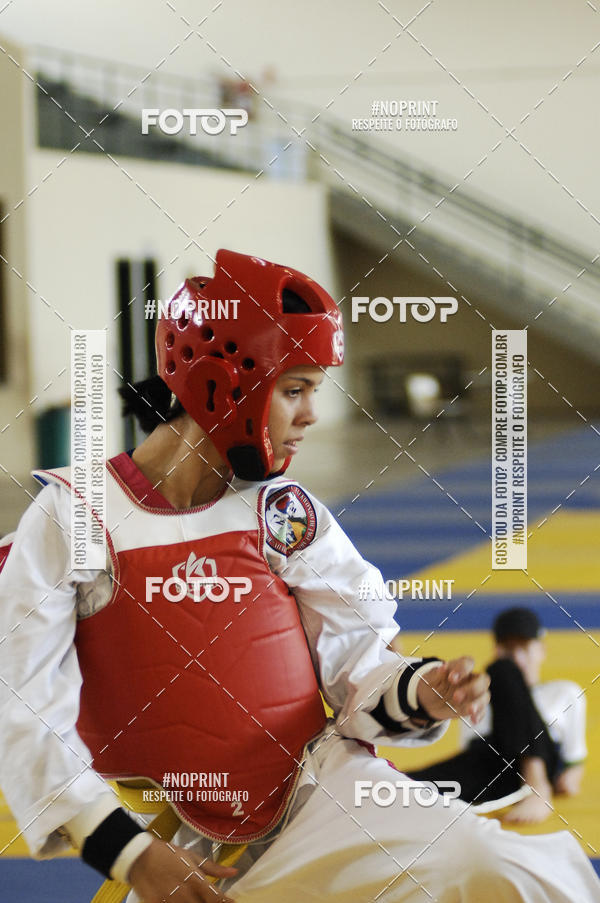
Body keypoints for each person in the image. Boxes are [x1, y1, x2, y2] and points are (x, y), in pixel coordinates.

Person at [0, 250, 598, 903]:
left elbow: (358, 660)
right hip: (171, 848)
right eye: (295, 389)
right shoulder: (74, 515)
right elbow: (22, 703)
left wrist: (423, 688)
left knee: (511, 871)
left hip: (321, 800)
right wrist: (133, 854)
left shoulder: (281, 510)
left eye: (314, 389)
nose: (312, 413)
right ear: (219, 385)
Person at [407, 607, 587, 824]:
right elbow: (470, 751)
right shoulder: (483, 693)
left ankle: (535, 785)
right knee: (404, 788)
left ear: (541, 650)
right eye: (509, 649)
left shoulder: (563, 692)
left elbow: (574, 759)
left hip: (542, 760)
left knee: (502, 669)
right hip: (490, 765)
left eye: (524, 647)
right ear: (497, 649)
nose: (517, 657)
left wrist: (570, 777)